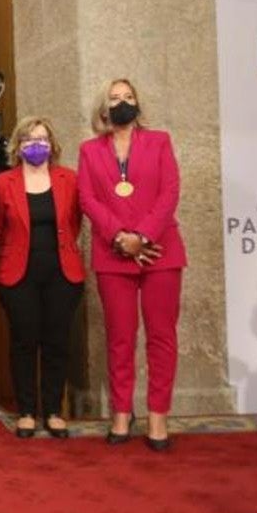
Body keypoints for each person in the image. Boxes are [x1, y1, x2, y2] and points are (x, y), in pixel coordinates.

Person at [78, 79, 186, 452]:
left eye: (129, 97)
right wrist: (121, 238)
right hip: (113, 254)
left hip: (160, 251)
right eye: (115, 98)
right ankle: (121, 411)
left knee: (161, 336)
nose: (123, 102)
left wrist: (142, 236)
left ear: (138, 104)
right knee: (120, 337)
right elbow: (88, 199)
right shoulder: (89, 150)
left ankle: (158, 414)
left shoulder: (159, 141)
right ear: (103, 108)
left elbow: (170, 192)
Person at [0, 117, 84, 439]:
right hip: (18, 276)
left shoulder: (69, 179)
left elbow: (74, 223)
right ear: (18, 145)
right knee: (24, 342)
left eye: (42, 139)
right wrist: (11, 254)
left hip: (63, 274)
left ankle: (54, 410)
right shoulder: (3, 182)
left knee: (57, 342)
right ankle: (27, 410)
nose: (36, 145)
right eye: (28, 139)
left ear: (52, 144)